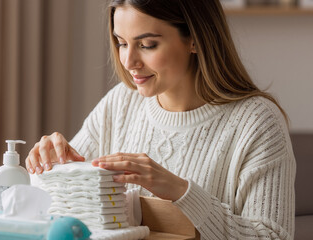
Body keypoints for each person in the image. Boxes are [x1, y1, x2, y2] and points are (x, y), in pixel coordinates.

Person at [25, 0, 295, 239]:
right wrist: (55, 164)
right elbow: (59, 204)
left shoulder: (258, 123)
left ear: (194, 39)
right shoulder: (121, 102)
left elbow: (271, 237)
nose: (129, 61)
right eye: (121, 43)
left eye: (147, 45)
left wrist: (180, 191)